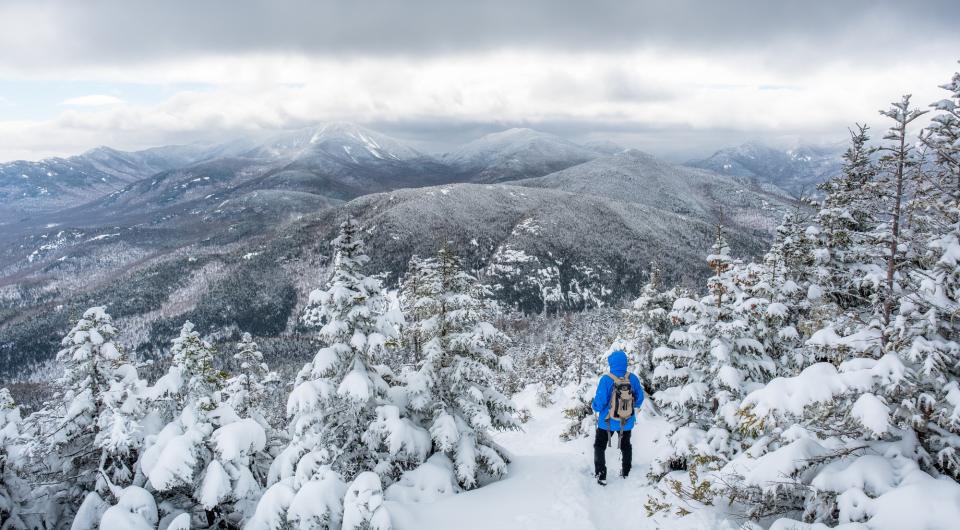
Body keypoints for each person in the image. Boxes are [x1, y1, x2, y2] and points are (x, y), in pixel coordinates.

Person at [591, 350, 644, 485]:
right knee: (626, 446)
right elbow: (639, 399)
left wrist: (595, 406)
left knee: (599, 446)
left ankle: (601, 474)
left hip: (606, 421)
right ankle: (626, 472)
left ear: (611, 363)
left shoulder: (606, 379)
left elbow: (600, 401)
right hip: (626, 421)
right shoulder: (632, 378)